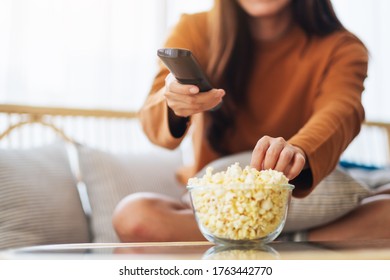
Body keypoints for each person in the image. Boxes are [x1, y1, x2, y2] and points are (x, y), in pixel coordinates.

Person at [113, 0, 390, 242]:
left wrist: (299, 150)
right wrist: (174, 102)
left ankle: (263, 242)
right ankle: (301, 243)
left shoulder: (342, 47)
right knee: (133, 216)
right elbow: (151, 121)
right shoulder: (195, 29)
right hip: (216, 206)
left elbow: (342, 111)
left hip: (300, 193)